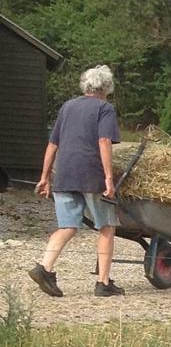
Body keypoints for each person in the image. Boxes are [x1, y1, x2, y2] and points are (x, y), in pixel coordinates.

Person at [29, 64, 124, 299]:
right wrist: (109, 179)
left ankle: (44, 268)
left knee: (67, 227)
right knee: (106, 227)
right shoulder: (104, 108)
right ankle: (103, 283)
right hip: (91, 174)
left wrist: (44, 177)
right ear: (106, 88)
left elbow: (53, 143)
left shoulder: (68, 106)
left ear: (86, 86)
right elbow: (104, 141)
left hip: (64, 174)